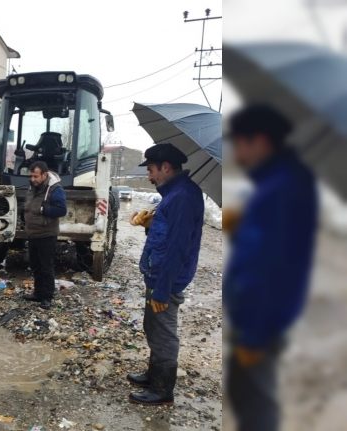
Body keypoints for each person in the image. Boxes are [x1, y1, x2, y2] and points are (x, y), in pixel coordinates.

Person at [225, 105, 317, 431]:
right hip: (257, 318)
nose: (236, 153)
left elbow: (268, 266)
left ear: (260, 141)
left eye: (239, 143)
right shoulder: (279, 183)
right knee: (245, 394)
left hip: (260, 321)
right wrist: (241, 225)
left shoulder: (281, 189)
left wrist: (253, 333)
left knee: (256, 403)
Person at [127, 143, 204, 406]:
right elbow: (165, 236)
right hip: (158, 275)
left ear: (166, 167)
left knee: (163, 332)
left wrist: (163, 288)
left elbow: (178, 248)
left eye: (151, 170)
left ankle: (162, 389)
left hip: (165, 279)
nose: (149, 176)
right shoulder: (173, 193)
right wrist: (149, 224)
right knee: (153, 326)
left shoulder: (182, 196)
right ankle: (153, 374)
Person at [22, 161, 67, 310]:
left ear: (44, 175)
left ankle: (47, 297)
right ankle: (38, 293)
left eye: (36, 176)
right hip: (33, 233)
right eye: (31, 176)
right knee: (35, 265)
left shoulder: (55, 189)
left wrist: (44, 210)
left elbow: (61, 210)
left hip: (46, 234)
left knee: (46, 266)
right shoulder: (33, 187)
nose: (33, 179)